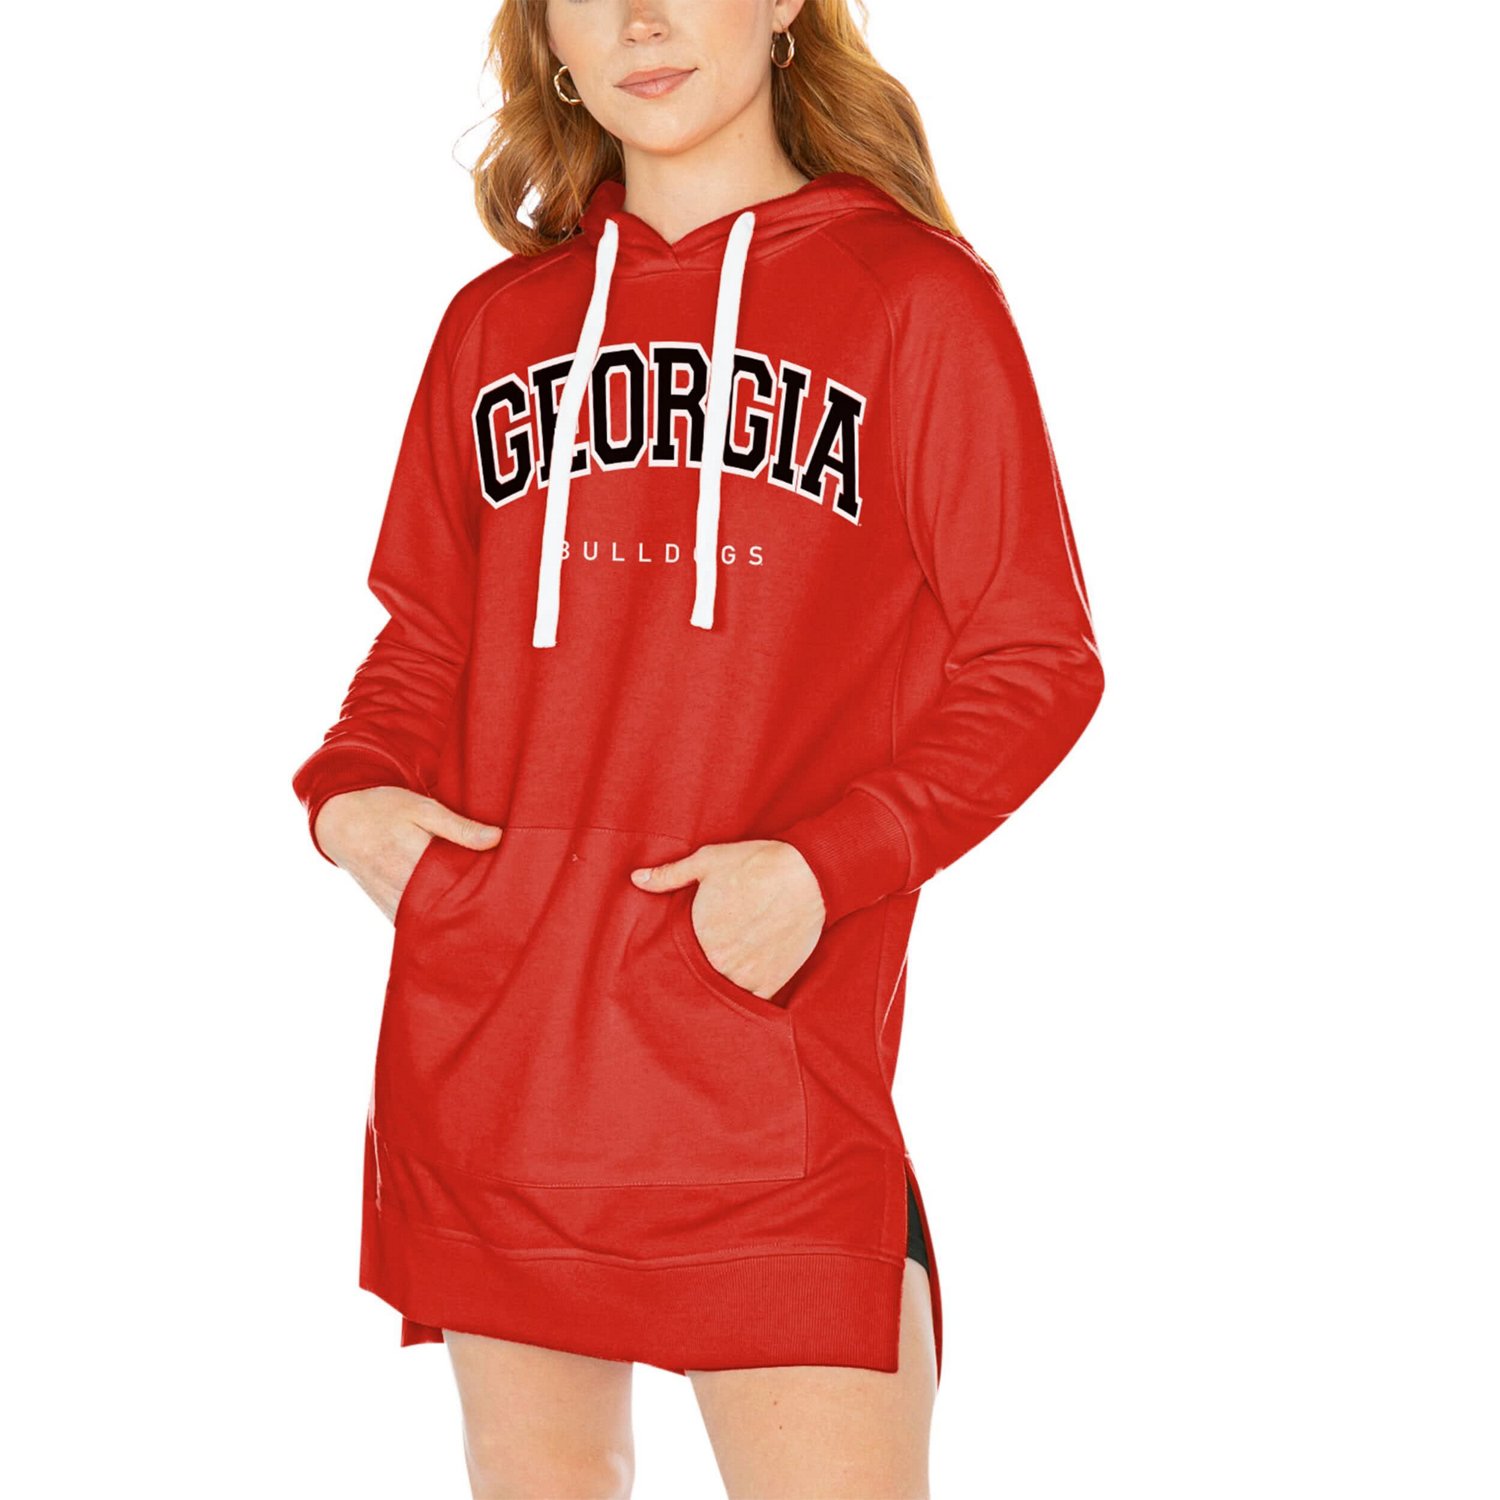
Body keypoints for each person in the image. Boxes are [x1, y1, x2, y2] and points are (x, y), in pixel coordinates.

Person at [290, 0, 1105, 1494]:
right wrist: (350, 797)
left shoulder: (913, 299)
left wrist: (823, 867)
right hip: (501, 1064)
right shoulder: (497, 326)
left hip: (763, 1062)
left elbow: (1035, 660)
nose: (641, 21)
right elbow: (426, 643)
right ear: (547, 35)